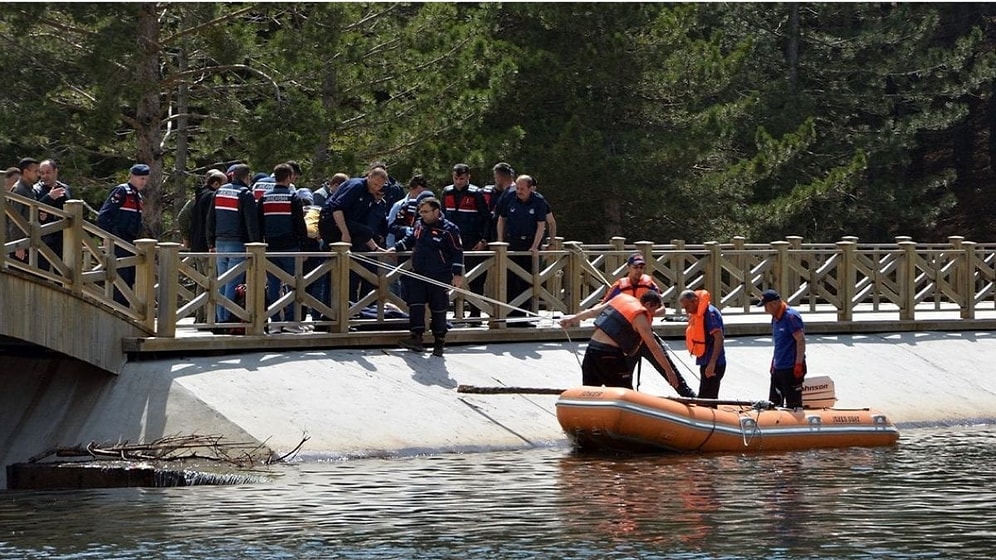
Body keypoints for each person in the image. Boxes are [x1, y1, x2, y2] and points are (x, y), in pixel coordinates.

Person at [558, 291, 694, 396]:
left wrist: (571, 320)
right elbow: (654, 347)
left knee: (590, 391)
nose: (653, 314)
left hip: (591, 350)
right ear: (647, 305)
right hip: (609, 355)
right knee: (625, 393)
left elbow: (593, 311)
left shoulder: (621, 298)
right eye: (654, 310)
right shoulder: (641, 318)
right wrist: (669, 371)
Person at [388, 197, 463, 357]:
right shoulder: (419, 224)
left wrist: (457, 274)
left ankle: (439, 341)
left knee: (439, 308)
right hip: (418, 273)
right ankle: (416, 338)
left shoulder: (449, 229)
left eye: (426, 212)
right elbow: (410, 239)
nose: (423, 215)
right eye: (421, 212)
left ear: (437, 211)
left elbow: (457, 252)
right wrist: (396, 248)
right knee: (415, 305)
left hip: (439, 275)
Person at [319, 164, 390, 302]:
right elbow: (337, 209)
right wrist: (345, 234)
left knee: (367, 235)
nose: (376, 188)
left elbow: (362, 226)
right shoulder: (356, 186)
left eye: (379, 186)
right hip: (332, 221)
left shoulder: (370, 196)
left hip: (347, 223)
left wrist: (375, 248)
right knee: (335, 270)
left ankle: (350, 307)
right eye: (375, 184)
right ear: (369, 177)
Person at [206, 163, 260, 327]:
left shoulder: (220, 191)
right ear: (247, 176)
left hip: (220, 241)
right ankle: (226, 319)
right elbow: (251, 222)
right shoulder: (245, 193)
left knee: (221, 281)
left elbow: (211, 218)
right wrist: (255, 244)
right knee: (232, 282)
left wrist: (210, 241)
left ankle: (219, 317)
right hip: (237, 242)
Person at [258, 163, 309, 333]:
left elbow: (259, 224)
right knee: (293, 284)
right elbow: (300, 225)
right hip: (290, 246)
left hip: (270, 247)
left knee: (273, 285)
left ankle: (274, 322)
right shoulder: (293, 197)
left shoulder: (264, 198)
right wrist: (303, 246)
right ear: (288, 177)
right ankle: (291, 321)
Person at [496, 174, 547, 326]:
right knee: (510, 280)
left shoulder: (539, 201)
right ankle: (510, 315)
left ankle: (524, 316)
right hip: (512, 243)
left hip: (529, 244)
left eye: (522, 189)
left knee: (527, 281)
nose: (519, 191)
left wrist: (535, 246)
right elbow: (501, 219)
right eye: (517, 188)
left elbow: (541, 226)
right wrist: (500, 240)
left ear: (531, 188)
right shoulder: (509, 197)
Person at [440, 163, 490, 318]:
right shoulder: (447, 192)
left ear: (468, 177)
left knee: (475, 278)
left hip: (472, 241)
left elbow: (487, 219)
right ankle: (456, 312)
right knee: (451, 276)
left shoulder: (477, 194)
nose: (458, 182)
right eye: (456, 178)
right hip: (451, 241)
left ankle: (475, 314)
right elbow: (441, 216)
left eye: (462, 178)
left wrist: (484, 240)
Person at [97, 163, 149, 305]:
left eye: (145, 179)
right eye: (140, 178)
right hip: (118, 240)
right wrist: (107, 236)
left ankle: (126, 311)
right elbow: (104, 216)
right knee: (120, 278)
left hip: (130, 241)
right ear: (132, 177)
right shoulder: (122, 191)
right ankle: (118, 310)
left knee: (129, 278)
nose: (143, 182)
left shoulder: (137, 196)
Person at [758, 289, 807, 408]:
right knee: (773, 403)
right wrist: (773, 363)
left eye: (766, 307)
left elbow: (800, 340)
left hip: (791, 367)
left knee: (793, 404)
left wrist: (798, 364)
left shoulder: (791, 317)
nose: (765, 310)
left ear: (774, 304)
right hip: (778, 367)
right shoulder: (775, 319)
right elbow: (779, 343)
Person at [678, 289, 727, 399]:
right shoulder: (699, 314)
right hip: (705, 362)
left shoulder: (710, 314)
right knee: (704, 396)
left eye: (687, 307)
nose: (686, 311)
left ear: (695, 301)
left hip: (714, 364)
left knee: (708, 399)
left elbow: (719, 338)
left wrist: (712, 363)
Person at [7, 158, 40, 263]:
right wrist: (18, 245)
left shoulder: (30, 189)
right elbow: (14, 219)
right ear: (26, 172)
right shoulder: (19, 190)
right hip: (20, 243)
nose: (38, 174)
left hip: (28, 240)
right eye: (35, 171)